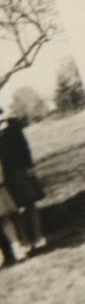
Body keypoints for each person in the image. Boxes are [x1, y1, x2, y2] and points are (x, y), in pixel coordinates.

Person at [0, 109, 45, 255]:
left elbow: (24, 146)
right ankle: (24, 240)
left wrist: (29, 166)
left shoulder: (12, 124)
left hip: (18, 170)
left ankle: (37, 236)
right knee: (13, 210)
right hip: (2, 176)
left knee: (29, 203)